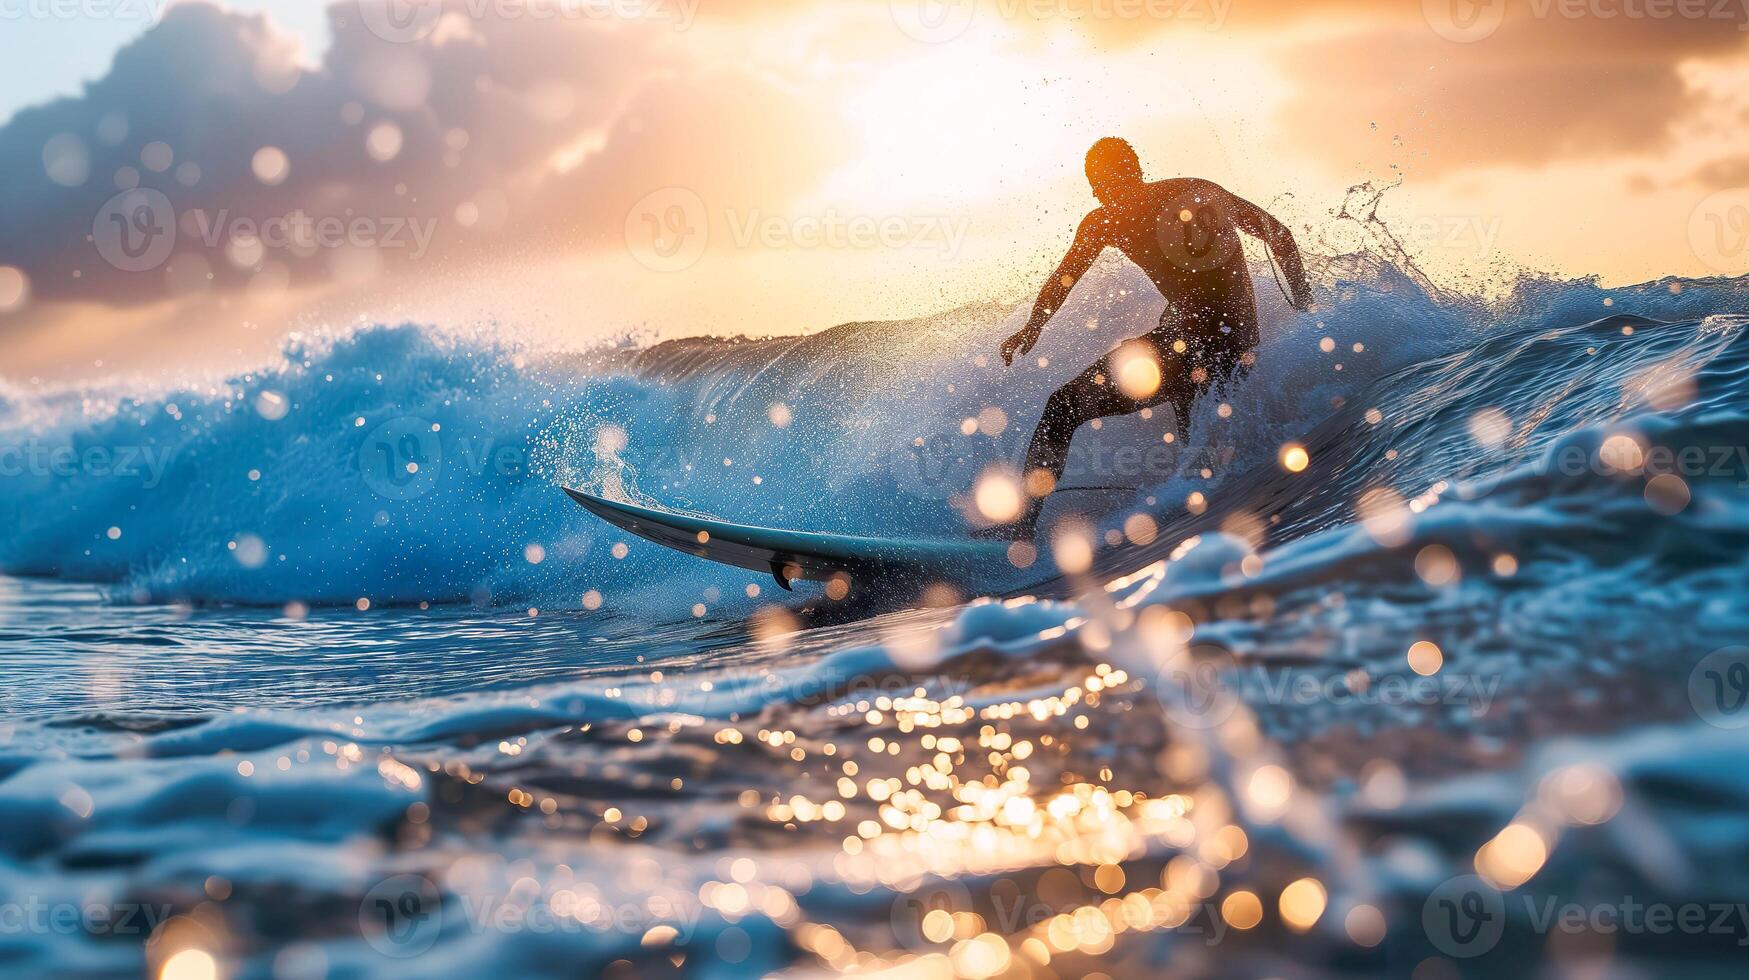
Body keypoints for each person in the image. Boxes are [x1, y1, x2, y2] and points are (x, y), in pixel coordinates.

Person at [995, 136, 1312, 535]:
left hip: (1205, 344)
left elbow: (1278, 235)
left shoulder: (1163, 204)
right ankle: (1212, 513)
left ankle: (1019, 528)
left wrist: (1304, 306)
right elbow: (1065, 276)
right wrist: (1034, 325)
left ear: (1136, 173)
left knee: (1062, 407)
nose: (1106, 192)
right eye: (1101, 186)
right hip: (1208, 340)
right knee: (1193, 433)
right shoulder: (1168, 199)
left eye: (1111, 181)